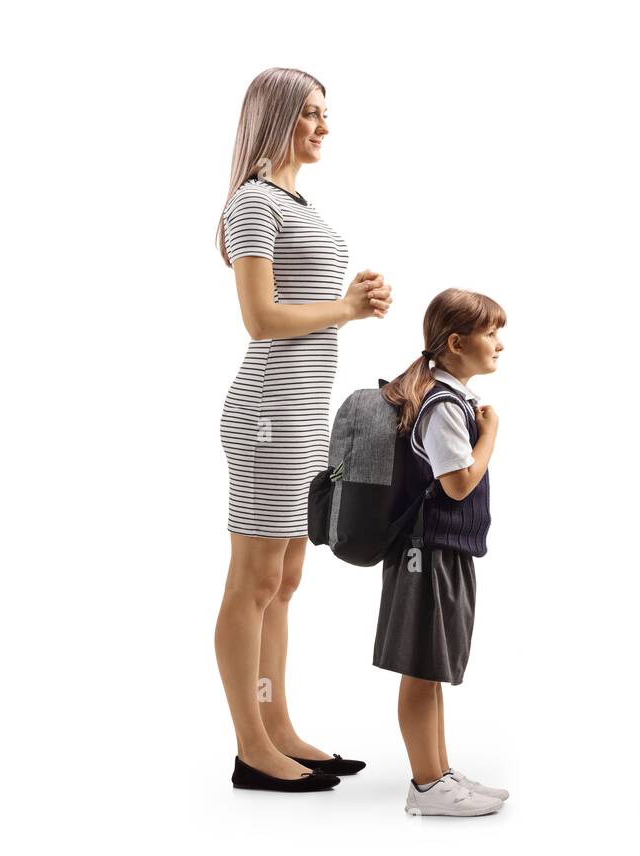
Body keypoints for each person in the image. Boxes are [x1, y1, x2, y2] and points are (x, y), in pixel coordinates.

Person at [214, 67, 392, 792]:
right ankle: (252, 748)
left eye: (327, 114)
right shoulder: (254, 204)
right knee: (254, 581)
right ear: (277, 116)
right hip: (265, 414)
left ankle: (279, 727)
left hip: (299, 413)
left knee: (285, 580)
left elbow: (311, 301)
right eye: (310, 114)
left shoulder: (296, 202)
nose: (322, 126)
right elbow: (260, 319)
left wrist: (359, 300)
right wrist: (346, 310)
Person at [376, 289, 509, 816]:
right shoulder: (443, 404)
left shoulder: (440, 394)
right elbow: (457, 484)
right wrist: (491, 434)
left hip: (441, 550)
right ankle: (428, 786)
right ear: (456, 342)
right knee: (421, 669)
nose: (500, 343)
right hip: (426, 552)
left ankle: (439, 774)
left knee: (432, 668)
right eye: (491, 332)